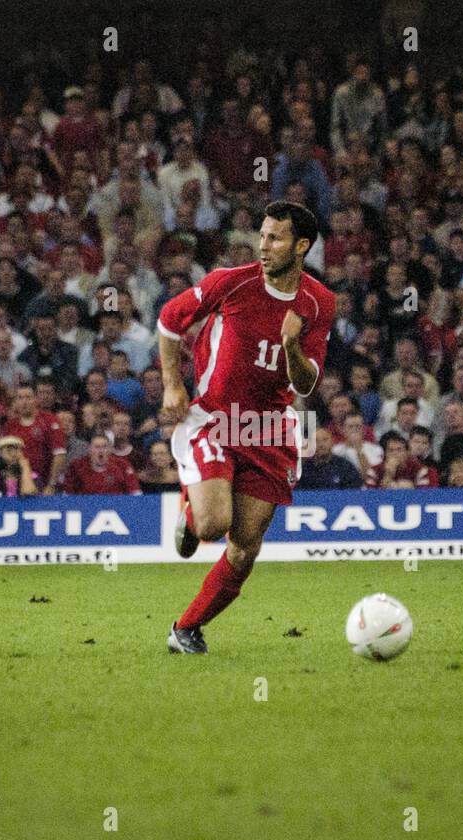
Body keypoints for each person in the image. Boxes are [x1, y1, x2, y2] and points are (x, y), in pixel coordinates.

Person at [157, 201, 335, 653]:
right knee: (213, 525)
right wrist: (172, 385)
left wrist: (292, 344)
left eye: (275, 238)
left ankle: (186, 630)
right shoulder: (230, 282)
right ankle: (191, 506)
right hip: (214, 419)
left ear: (302, 246)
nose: (264, 245)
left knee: (245, 547)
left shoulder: (319, 302)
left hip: (269, 429)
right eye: (262, 235)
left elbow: (306, 381)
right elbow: (169, 321)